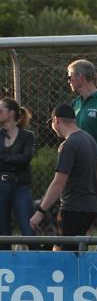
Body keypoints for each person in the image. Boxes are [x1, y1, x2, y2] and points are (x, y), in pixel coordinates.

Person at [29, 104, 97, 248]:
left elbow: (58, 183)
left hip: (73, 207)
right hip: (91, 206)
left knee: (66, 253)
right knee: (78, 250)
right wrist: (87, 188)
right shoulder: (89, 139)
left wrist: (40, 211)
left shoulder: (69, 144)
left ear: (56, 120)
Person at [67, 59, 97, 242]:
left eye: (70, 77)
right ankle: (81, 258)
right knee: (78, 216)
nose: (69, 81)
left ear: (80, 76)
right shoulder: (75, 103)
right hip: (77, 171)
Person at [0, 98, 35, 248]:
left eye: (0, 110)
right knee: (2, 232)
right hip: (1, 187)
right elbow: (19, 159)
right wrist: (14, 159)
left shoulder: (27, 136)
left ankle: (37, 263)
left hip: (20, 186)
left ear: (11, 113)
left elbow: (25, 159)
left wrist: (3, 158)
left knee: (28, 230)